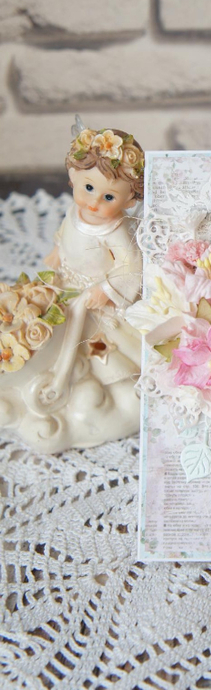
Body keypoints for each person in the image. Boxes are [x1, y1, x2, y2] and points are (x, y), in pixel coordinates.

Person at [0, 121, 145, 453]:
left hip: (96, 299)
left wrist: (106, 289)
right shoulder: (74, 211)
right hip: (66, 283)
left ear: (129, 201)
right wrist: (57, 250)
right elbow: (65, 233)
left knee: (91, 342)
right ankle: (44, 376)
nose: (94, 202)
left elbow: (132, 266)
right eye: (88, 188)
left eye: (109, 196)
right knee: (46, 324)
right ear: (72, 177)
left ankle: (87, 384)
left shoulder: (115, 231)